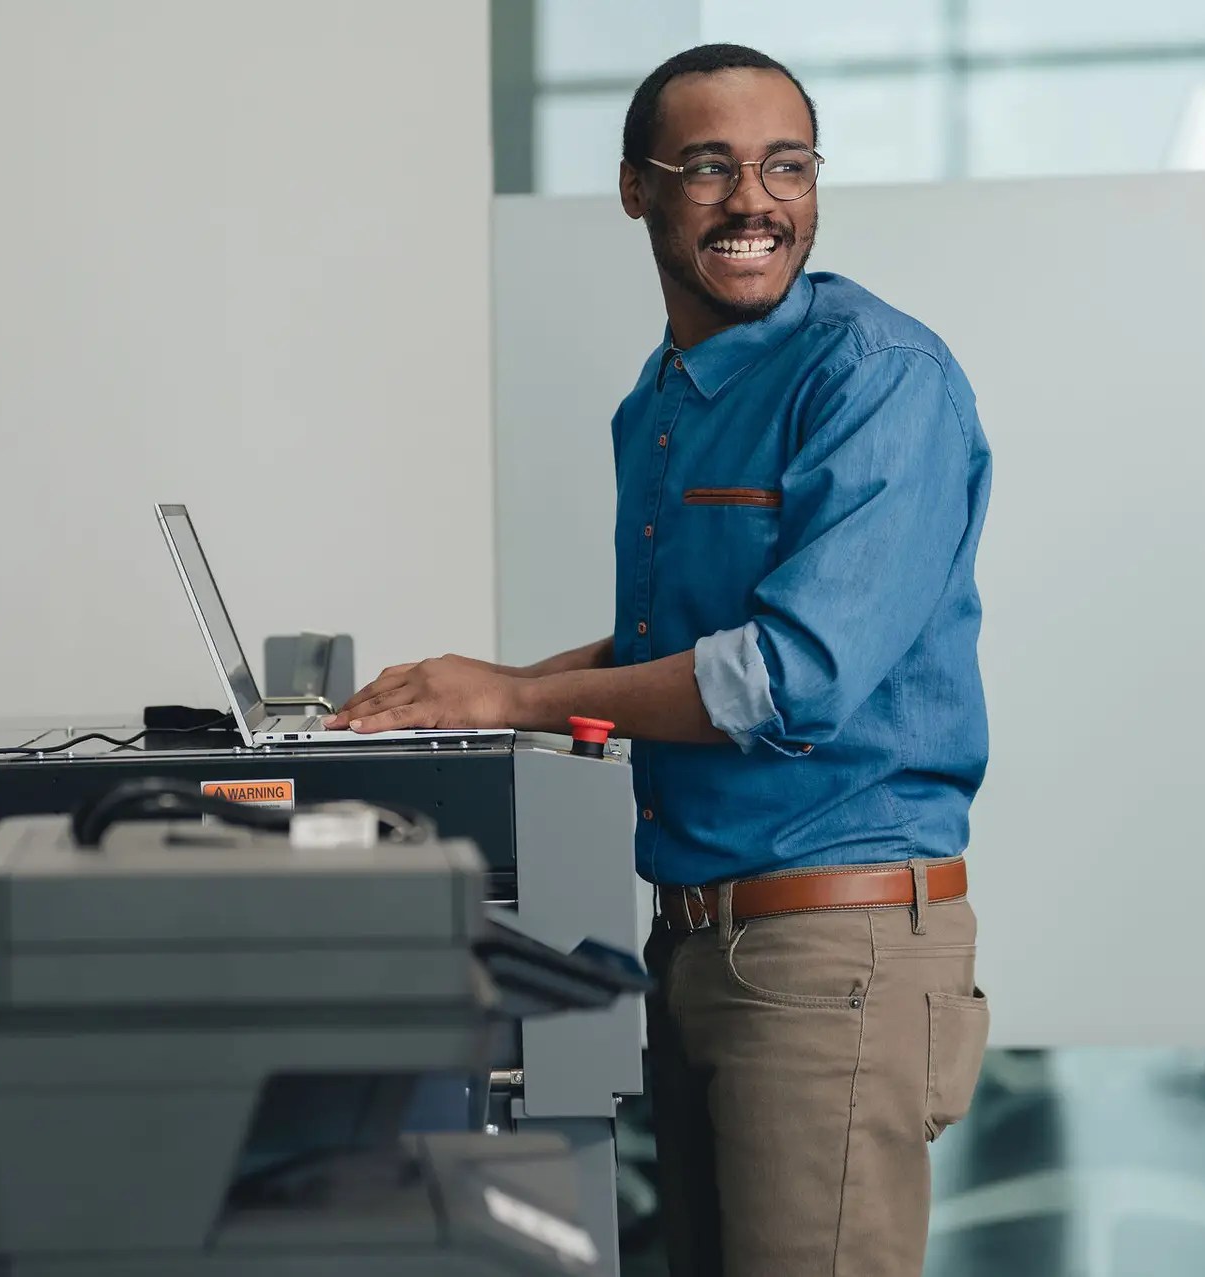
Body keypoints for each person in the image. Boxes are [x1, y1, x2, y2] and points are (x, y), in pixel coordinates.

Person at [329, 43, 992, 1277]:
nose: (755, 200)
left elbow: (788, 675)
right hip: (693, 941)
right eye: (710, 167)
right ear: (637, 189)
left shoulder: (876, 374)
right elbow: (669, 654)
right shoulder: (666, 396)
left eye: (786, 165)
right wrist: (470, 710)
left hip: (826, 952)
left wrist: (521, 693)